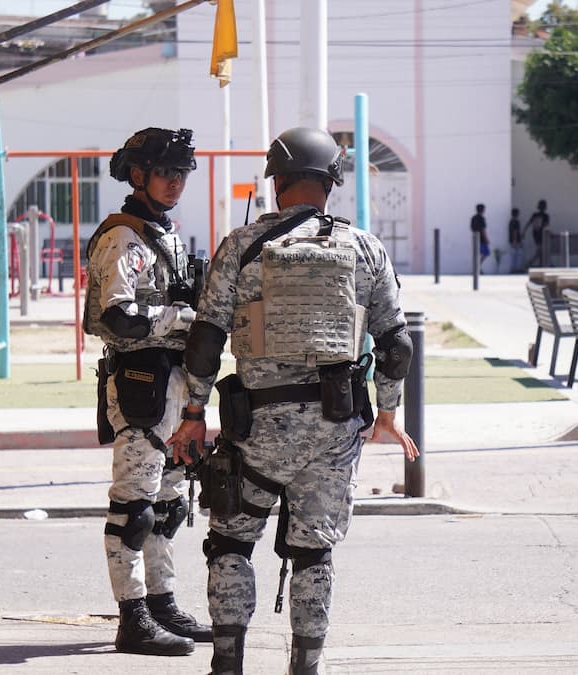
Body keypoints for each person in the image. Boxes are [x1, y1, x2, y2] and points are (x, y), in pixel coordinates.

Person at [167, 127, 419, 675]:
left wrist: (192, 416)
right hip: (335, 428)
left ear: (275, 182)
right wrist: (390, 415)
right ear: (332, 182)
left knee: (231, 543)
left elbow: (206, 339)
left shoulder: (240, 245)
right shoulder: (364, 248)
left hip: (255, 425)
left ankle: (228, 664)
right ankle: (306, 666)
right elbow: (396, 345)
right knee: (314, 553)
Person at [83, 127, 212, 656]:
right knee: (133, 507)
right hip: (139, 381)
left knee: (169, 504)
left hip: (175, 383)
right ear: (138, 176)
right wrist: (184, 318)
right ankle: (132, 617)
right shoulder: (123, 237)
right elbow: (117, 317)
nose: (176, 183)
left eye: (182, 174)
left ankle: (161, 603)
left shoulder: (165, 234)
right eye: (165, 173)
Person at [525, 199, 550, 266]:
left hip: (535, 234)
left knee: (540, 251)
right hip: (542, 235)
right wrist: (550, 234)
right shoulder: (546, 216)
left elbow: (528, 224)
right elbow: (546, 226)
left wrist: (523, 233)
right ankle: (530, 263)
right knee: (540, 251)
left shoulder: (535, 215)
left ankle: (540, 264)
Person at [470, 203, 490, 271]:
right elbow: (483, 229)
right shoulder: (482, 218)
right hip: (482, 239)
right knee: (486, 253)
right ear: (483, 210)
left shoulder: (473, 218)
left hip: (475, 238)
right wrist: (486, 239)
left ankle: (477, 267)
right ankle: (477, 267)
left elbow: (471, 228)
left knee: (477, 254)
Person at [507, 207, 523, 273]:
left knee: (513, 255)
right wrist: (515, 240)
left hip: (511, 240)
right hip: (516, 241)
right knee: (518, 255)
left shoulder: (511, 221)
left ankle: (513, 268)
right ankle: (516, 269)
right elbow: (515, 231)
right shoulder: (516, 221)